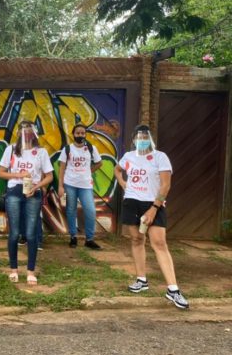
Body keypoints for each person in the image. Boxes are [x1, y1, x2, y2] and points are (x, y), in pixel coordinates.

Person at [114, 124, 188, 309]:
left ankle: (173, 289)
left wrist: (154, 208)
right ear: (134, 140)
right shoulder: (128, 156)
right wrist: (123, 183)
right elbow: (117, 169)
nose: (142, 140)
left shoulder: (160, 157)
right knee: (136, 240)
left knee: (159, 243)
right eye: (138, 137)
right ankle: (141, 280)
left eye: (145, 137)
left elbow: (165, 185)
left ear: (150, 139)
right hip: (132, 202)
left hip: (153, 203)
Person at [0, 121, 54, 285]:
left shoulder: (41, 152)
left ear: (34, 134)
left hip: (33, 193)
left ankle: (30, 271)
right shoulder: (11, 150)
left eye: (30, 131)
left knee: (31, 234)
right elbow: (1, 173)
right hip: (14, 191)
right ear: (18, 133)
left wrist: (37, 186)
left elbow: (49, 176)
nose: (27, 134)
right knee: (14, 233)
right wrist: (19, 175)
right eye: (24, 131)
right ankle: (13, 270)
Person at [57, 123, 103, 249]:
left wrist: (89, 171)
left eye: (83, 133)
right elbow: (62, 168)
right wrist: (60, 186)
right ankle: (73, 237)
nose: (80, 135)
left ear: (85, 134)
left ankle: (89, 239)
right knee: (71, 210)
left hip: (86, 185)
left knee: (90, 211)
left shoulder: (91, 148)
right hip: (70, 184)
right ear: (73, 134)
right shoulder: (67, 149)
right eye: (78, 133)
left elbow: (99, 163)